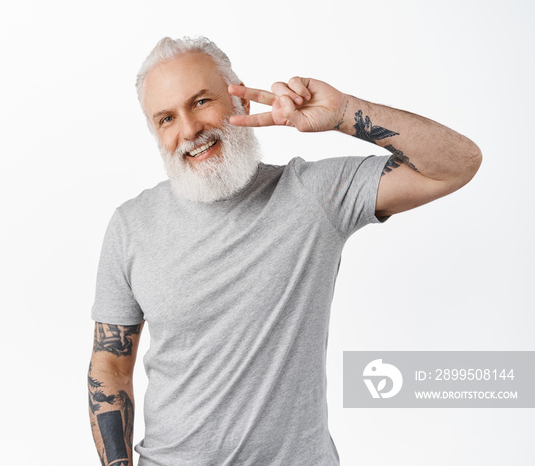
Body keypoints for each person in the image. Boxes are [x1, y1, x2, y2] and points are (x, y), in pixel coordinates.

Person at [87, 36, 481, 466]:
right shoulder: (131, 225)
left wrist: (345, 113)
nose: (189, 129)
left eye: (201, 101)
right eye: (166, 118)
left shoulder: (313, 195)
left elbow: (456, 164)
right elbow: (110, 365)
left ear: (240, 101)